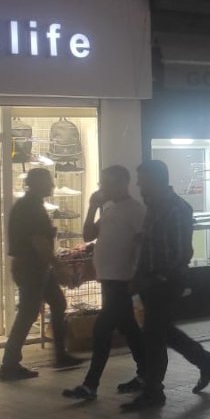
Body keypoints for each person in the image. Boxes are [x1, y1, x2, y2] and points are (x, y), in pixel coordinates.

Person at [123, 160, 210, 411]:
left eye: (141, 180)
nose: (138, 184)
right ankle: (206, 362)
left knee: (153, 335)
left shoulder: (176, 209)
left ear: (155, 180)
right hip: (150, 280)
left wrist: (157, 277)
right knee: (161, 331)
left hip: (165, 282)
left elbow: (181, 252)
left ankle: (154, 391)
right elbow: (151, 245)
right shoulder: (154, 206)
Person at [62, 166, 147, 401]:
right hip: (109, 279)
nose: (102, 188)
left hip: (122, 280)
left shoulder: (135, 210)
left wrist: (136, 275)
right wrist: (92, 207)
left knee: (102, 330)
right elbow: (88, 235)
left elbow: (142, 245)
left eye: (106, 184)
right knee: (130, 329)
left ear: (122, 183)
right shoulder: (109, 210)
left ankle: (90, 385)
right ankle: (147, 375)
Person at [0, 168, 84, 381]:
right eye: (48, 182)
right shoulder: (30, 208)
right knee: (28, 313)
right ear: (36, 184)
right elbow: (39, 242)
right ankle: (9, 364)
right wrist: (59, 265)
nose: (52, 186)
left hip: (36, 267)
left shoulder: (31, 205)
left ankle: (60, 355)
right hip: (32, 268)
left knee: (57, 303)